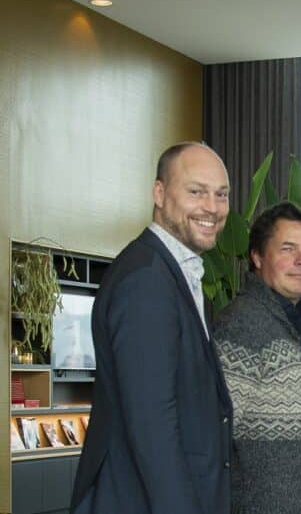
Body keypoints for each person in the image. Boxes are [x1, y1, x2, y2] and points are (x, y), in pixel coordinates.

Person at [70, 142, 233, 514]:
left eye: (221, 194)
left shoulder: (169, 270)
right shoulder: (146, 279)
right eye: (196, 192)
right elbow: (152, 425)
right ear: (159, 194)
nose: (212, 207)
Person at [213, 201, 301, 514]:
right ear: (257, 256)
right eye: (287, 249)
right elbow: (213, 436)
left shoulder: (297, 323)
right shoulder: (241, 325)